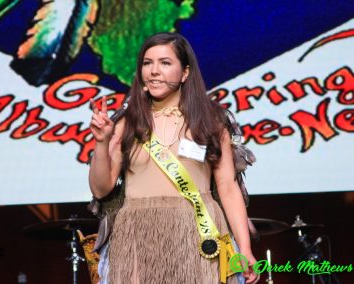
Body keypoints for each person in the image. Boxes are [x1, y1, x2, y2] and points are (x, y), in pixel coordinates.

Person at [89, 32, 259, 284]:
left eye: (165, 63)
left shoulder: (211, 121)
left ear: (185, 73)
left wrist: (245, 249)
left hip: (198, 232)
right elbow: (101, 189)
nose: (154, 71)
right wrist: (102, 143)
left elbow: (227, 187)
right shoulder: (126, 122)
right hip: (137, 231)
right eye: (148, 63)